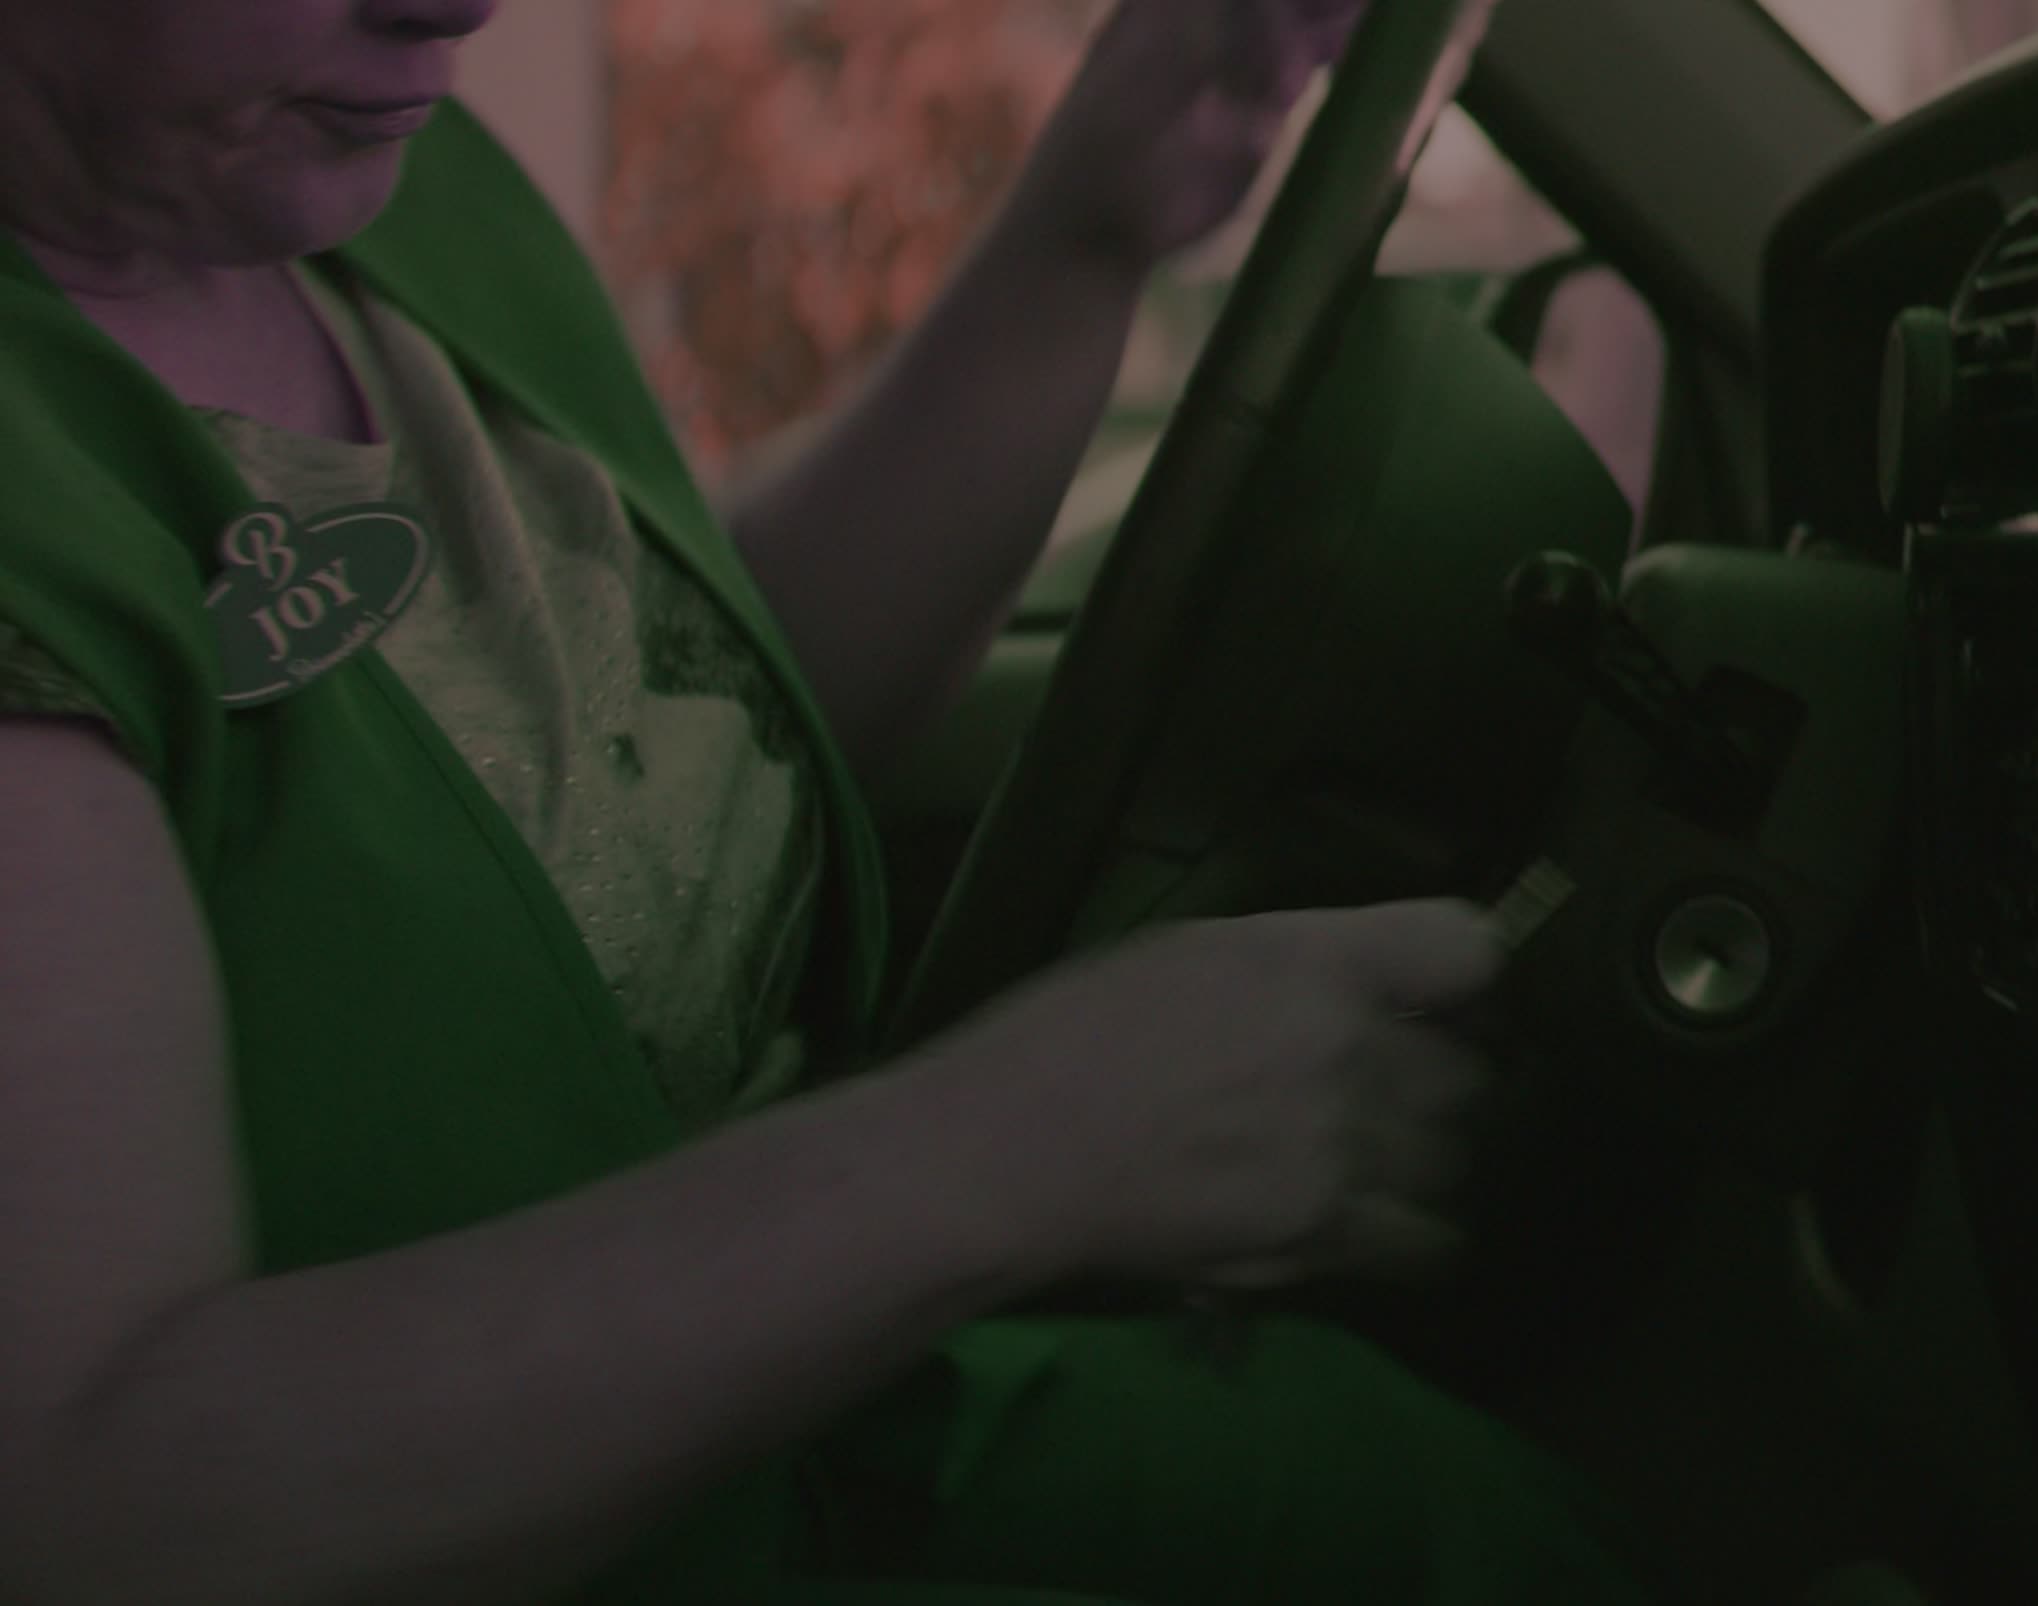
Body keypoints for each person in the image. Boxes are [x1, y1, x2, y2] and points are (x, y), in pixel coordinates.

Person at [0, 1, 1659, 1601]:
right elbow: (90, 1511)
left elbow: (672, 732)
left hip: (791, 1430)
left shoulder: (357, 187)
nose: (458, 6)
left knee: (1442, 1507)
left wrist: (1090, 228)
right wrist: (1021, 1139)